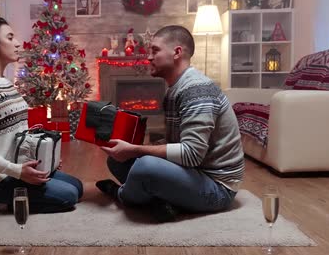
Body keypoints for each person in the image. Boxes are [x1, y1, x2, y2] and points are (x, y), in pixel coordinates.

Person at [95, 25, 244, 222]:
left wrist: (136, 150)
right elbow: (177, 144)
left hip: (217, 188)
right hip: (194, 173)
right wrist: (130, 148)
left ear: (177, 52)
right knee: (116, 160)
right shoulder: (174, 90)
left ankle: (122, 195)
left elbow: (191, 155)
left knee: (144, 166)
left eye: (155, 50)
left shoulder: (196, 90)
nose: (148, 57)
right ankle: (161, 200)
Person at [0, 17, 83, 213]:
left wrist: (45, 158)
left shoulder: (6, 83)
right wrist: (17, 171)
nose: (17, 43)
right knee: (68, 196)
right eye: (10, 37)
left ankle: (7, 197)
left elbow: (19, 134)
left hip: (17, 169)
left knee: (77, 187)